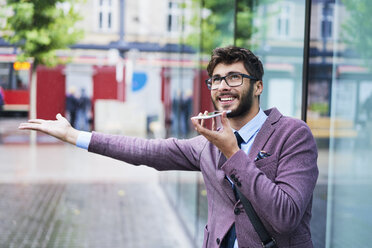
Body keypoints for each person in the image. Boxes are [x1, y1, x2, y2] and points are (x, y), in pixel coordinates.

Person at [19, 46, 318, 248]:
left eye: (234, 77)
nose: (223, 86)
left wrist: (232, 153)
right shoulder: (208, 145)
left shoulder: (292, 134)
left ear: (258, 86)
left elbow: (286, 216)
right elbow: (146, 150)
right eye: (215, 80)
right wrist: (75, 136)